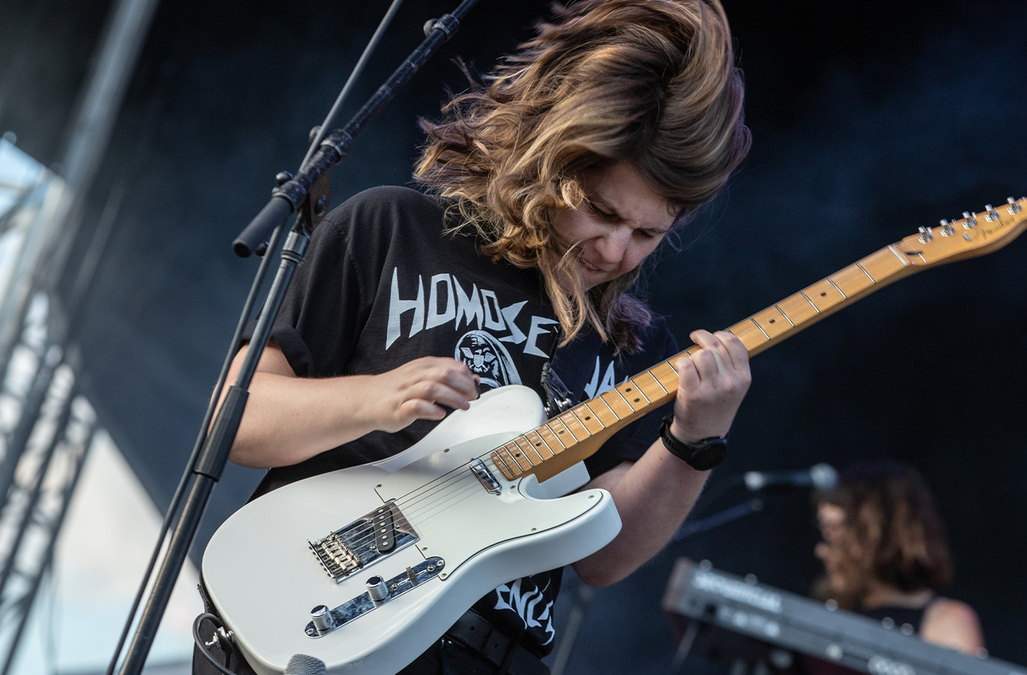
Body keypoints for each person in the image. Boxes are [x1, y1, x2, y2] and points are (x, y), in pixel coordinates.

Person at [198, 1, 753, 674]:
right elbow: (237, 419)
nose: (615, 249)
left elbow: (604, 556)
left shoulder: (633, 352)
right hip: (319, 626)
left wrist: (696, 438)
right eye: (601, 211)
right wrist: (373, 399)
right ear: (549, 159)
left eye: (646, 233)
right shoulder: (392, 228)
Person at [812, 461, 985, 655]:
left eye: (832, 532)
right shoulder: (832, 616)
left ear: (875, 535)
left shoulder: (945, 622)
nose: (821, 550)